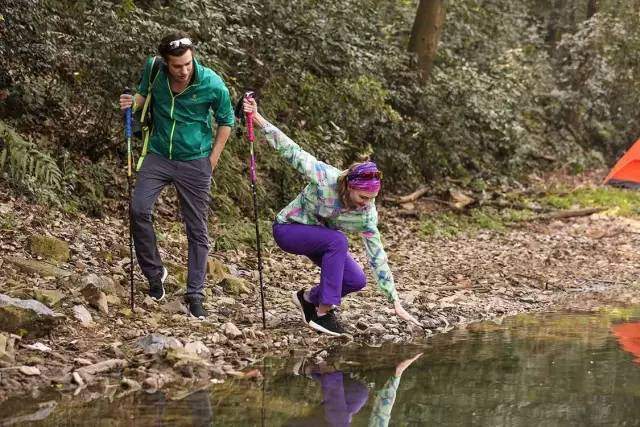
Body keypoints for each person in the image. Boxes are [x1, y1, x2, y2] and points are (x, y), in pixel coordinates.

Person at [243, 98, 421, 336]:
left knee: (356, 279)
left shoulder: (367, 215)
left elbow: (378, 257)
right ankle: (323, 313)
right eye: (363, 197)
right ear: (348, 185)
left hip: (320, 240)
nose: (367, 203)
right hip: (289, 229)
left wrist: (395, 301)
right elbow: (291, 151)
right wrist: (257, 117)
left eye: (372, 198)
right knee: (338, 240)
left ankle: (308, 299)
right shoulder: (325, 177)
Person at [119, 32, 235, 319]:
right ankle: (155, 276)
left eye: (188, 63)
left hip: (195, 160)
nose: (184, 70)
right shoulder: (153, 68)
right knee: (138, 210)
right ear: (166, 63)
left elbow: (226, 121)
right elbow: (142, 97)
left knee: (197, 230)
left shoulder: (211, 82)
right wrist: (131, 103)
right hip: (158, 153)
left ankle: (195, 294)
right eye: (177, 66)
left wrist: (212, 160)